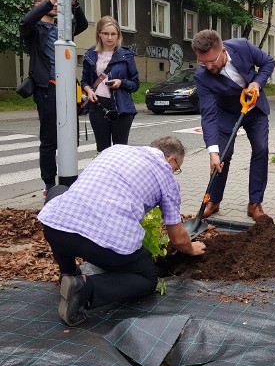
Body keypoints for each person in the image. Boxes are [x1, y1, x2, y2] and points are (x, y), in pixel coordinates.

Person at [37, 136, 206, 327]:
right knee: (147, 278)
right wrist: (191, 248)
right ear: (171, 159)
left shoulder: (114, 150)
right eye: (177, 168)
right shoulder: (167, 179)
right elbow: (177, 239)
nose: (174, 172)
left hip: (56, 228)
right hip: (103, 245)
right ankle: (82, 288)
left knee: (58, 191)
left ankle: (67, 272)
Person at [191, 29, 275, 221]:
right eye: (203, 62)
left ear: (222, 50)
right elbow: (209, 115)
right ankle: (214, 200)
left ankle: (255, 203)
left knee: (261, 149)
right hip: (226, 113)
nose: (208, 66)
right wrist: (212, 151)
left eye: (212, 61)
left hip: (254, 107)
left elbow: (268, 62)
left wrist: (256, 84)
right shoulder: (202, 76)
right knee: (222, 156)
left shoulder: (242, 46)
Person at [20, 0, 88, 196]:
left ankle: (69, 178)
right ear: (39, 4)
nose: (57, 5)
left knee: (71, 137)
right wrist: (52, 1)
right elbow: (25, 22)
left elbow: (83, 25)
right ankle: (49, 184)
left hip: (68, 90)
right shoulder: (35, 30)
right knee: (49, 140)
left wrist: (73, 3)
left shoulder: (62, 28)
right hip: (48, 89)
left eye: (58, 2)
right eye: (52, 1)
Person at [81, 16, 139, 153]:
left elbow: (135, 83)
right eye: (106, 33)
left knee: (120, 151)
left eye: (113, 34)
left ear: (118, 35)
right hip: (98, 106)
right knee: (102, 150)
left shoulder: (126, 55)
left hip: (121, 107)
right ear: (99, 34)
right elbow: (84, 81)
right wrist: (89, 91)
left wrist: (121, 82)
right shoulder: (90, 54)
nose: (110, 37)